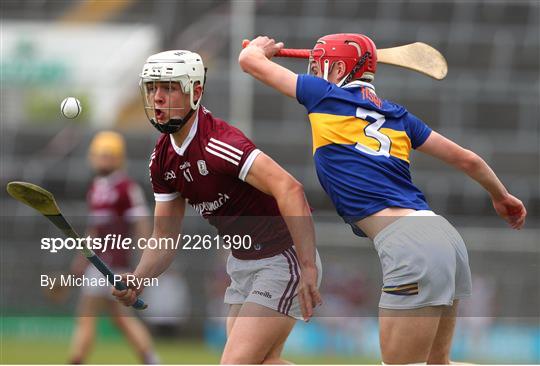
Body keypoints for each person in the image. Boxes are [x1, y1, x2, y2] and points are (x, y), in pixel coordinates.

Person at [238, 34, 527, 364]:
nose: (313, 75)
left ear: (334, 70)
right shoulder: (398, 116)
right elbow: (468, 160)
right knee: (437, 364)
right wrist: (501, 196)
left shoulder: (324, 95)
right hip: (444, 237)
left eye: (318, 68)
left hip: (410, 247)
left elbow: (249, 62)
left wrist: (261, 49)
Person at [112, 50, 323, 364]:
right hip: (242, 264)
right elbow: (164, 237)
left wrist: (307, 267)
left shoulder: (218, 144)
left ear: (195, 91)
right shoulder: (161, 160)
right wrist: (139, 278)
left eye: (169, 88)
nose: (157, 98)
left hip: (283, 258)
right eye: (153, 87)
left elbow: (290, 188)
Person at [68, 131, 159, 364]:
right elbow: (94, 231)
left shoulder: (126, 188)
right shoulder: (96, 187)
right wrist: (79, 264)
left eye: (108, 155)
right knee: (118, 317)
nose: (103, 159)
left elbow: (141, 225)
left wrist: (143, 268)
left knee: (90, 315)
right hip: (98, 262)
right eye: (100, 155)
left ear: (119, 158)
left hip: (116, 263)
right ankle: (151, 359)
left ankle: (76, 361)